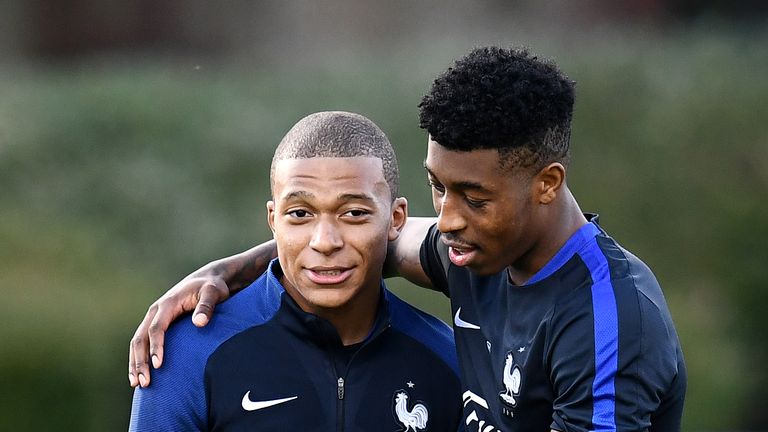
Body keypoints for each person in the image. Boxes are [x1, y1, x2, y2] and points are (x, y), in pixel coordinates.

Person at [130, 47, 687, 431]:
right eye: (436, 189)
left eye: (473, 196)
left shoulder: (608, 322)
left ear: (546, 184)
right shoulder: (476, 249)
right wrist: (232, 270)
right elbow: (358, 243)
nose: (445, 219)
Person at [129, 111, 463, 431]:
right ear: (274, 220)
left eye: (354, 213)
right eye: (301, 214)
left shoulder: (447, 359)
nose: (325, 242)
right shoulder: (188, 354)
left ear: (396, 219)